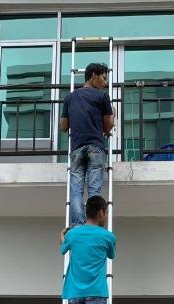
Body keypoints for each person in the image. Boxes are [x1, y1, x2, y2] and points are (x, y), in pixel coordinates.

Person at [60, 194, 116, 304]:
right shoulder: (108, 236)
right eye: (106, 213)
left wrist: (62, 235)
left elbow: (63, 248)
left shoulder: (73, 234)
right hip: (96, 292)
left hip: (75, 292)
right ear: (101, 212)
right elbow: (111, 255)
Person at [60, 62, 115, 226]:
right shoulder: (102, 97)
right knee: (94, 190)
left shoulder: (70, 98)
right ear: (93, 76)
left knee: (76, 190)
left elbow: (63, 126)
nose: (105, 82)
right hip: (95, 147)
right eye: (103, 78)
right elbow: (107, 127)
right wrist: (113, 114)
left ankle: (78, 225)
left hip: (77, 148)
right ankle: (92, 224)